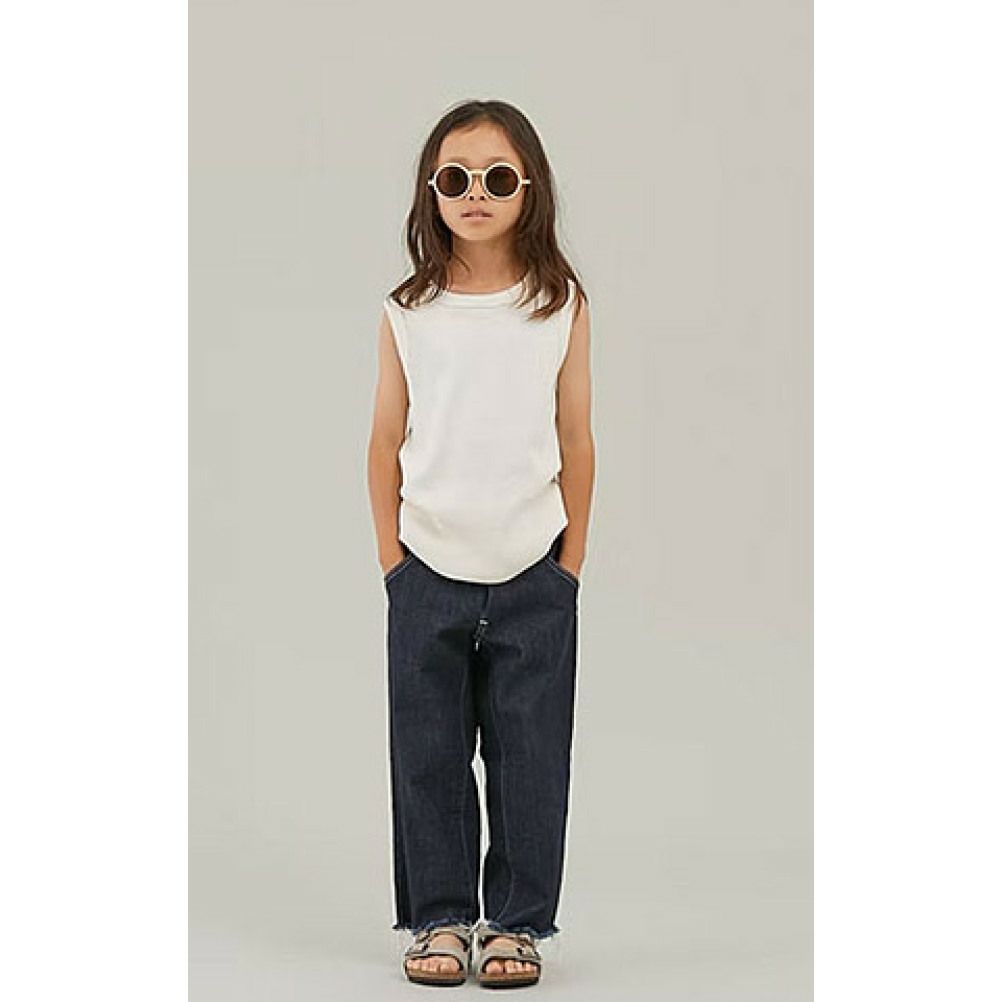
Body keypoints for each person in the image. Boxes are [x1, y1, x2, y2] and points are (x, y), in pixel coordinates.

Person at [367, 98, 595, 988]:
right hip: (426, 566)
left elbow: (576, 439)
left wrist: (569, 566)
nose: (476, 193)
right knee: (427, 755)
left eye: (497, 178)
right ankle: (439, 918)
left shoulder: (558, 305)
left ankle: (518, 925)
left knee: (531, 757)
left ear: (528, 188)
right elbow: (384, 439)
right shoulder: (409, 311)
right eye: (455, 178)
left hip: (534, 567)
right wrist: (393, 563)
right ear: (431, 190)